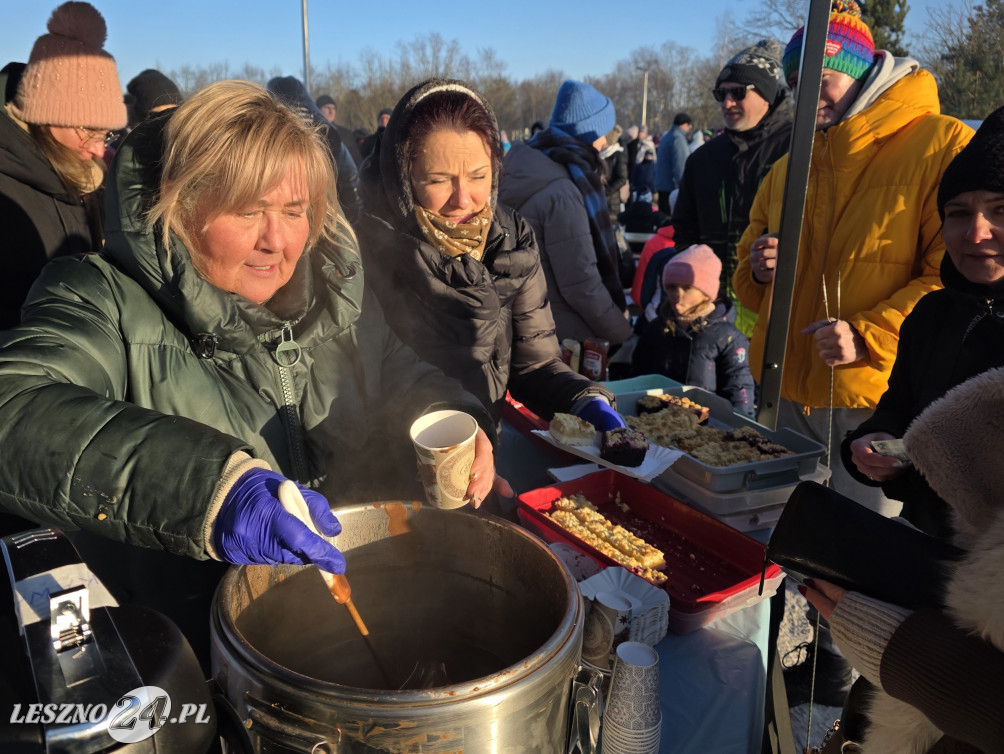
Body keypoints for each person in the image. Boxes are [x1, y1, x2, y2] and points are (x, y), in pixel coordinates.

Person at [0, 79, 502, 657]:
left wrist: (452, 414)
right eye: (247, 210)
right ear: (179, 205)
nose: (277, 240)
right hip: (190, 643)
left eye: (294, 210)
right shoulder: (102, 297)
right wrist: (212, 488)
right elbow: (14, 406)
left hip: (349, 602)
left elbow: (399, 372)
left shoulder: (335, 299)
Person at [732, 0, 974, 706]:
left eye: (822, 80)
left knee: (867, 551)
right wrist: (758, 268)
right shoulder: (791, 163)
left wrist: (870, 333)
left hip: (875, 399)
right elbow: (745, 262)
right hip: (786, 389)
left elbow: (952, 275)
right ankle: (802, 661)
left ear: (861, 69)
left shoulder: (939, 145)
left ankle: (860, 681)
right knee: (793, 540)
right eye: (798, 84)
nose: (808, 96)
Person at [356, 78, 622, 444]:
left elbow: (535, 364)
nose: (463, 200)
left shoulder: (511, 240)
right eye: (438, 180)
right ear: (403, 179)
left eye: (478, 176)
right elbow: (370, 380)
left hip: (486, 452)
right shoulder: (367, 250)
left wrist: (583, 399)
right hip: (395, 454)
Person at [803, 363, 1004, 754]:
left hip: (933, 662)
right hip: (923, 570)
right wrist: (884, 438)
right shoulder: (939, 319)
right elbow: (906, 400)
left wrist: (904, 650)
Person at [841, 101, 1004, 543]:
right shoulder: (931, 314)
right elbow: (899, 410)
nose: (975, 233)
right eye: (958, 213)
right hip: (923, 546)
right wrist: (872, 443)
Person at [0, 1, 126, 330]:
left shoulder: (87, 179)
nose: (99, 148)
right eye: (88, 130)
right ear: (44, 115)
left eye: (107, 134)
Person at [670, 39, 793, 336]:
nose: (727, 103)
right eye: (721, 94)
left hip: (778, 318)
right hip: (711, 316)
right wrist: (693, 287)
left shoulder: (799, 148)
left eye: (738, 93)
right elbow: (685, 231)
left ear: (767, 94)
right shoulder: (703, 159)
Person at [500, 80, 632, 347]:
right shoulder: (562, 192)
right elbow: (581, 284)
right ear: (586, 134)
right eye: (601, 133)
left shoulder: (525, 166)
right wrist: (623, 334)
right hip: (558, 337)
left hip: (517, 324)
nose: (604, 142)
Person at [631, 245, 754, 416]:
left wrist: (741, 425)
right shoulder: (655, 329)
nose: (677, 294)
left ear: (706, 293)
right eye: (672, 286)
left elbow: (738, 391)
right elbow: (636, 383)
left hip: (707, 427)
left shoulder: (728, 338)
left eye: (687, 287)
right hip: (654, 424)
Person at [267, 75, 361, 222]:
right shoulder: (329, 133)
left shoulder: (263, 135)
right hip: (328, 219)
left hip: (283, 220)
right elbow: (352, 183)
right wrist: (349, 225)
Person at [654, 112, 693, 211]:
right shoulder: (678, 140)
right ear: (684, 124)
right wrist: (684, 188)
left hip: (662, 185)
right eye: (689, 124)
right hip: (671, 189)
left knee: (663, 217)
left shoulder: (667, 136)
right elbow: (680, 166)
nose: (690, 127)